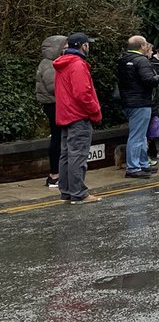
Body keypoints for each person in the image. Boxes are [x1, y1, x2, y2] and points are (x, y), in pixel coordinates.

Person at [53, 33, 103, 203]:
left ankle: (66, 191)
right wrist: (95, 110)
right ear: (83, 46)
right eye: (88, 44)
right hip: (78, 115)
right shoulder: (78, 64)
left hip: (65, 114)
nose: (89, 46)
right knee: (78, 155)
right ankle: (79, 193)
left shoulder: (63, 63)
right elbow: (83, 93)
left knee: (66, 155)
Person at [117, 35, 159, 179]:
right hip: (140, 102)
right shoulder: (141, 60)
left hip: (128, 102)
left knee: (140, 135)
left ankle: (143, 163)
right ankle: (133, 167)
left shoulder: (123, 59)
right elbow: (148, 80)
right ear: (142, 46)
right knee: (137, 136)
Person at [35, 34, 67, 188]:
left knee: (58, 137)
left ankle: (57, 173)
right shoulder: (49, 65)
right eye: (65, 47)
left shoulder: (51, 63)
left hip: (53, 104)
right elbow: (54, 87)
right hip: (53, 105)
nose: (67, 49)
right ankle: (54, 175)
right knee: (57, 138)